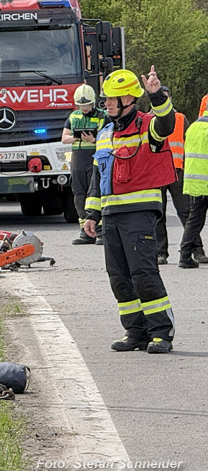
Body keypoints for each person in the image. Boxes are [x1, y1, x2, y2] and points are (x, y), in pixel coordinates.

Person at [84, 66, 176, 354]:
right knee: (119, 277)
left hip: (139, 213)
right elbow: (97, 176)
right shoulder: (105, 132)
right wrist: (91, 213)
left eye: (112, 99)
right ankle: (135, 332)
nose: (107, 103)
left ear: (129, 100)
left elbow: (167, 124)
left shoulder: (148, 124)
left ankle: (161, 332)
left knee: (143, 274)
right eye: (106, 99)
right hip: (111, 216)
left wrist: (156, 95)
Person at [155, 86, 206, 264]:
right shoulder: (149, 120)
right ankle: (161, 253)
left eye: (166, 97)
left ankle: (197, 250)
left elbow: (189, 144)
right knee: (158, 214)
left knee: (187, 212)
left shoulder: (180, 118)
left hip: (177, 171)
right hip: (157, 173)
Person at [61, 84, 107, 244]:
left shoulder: (102, 116)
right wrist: (79, 137)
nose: (84, 108)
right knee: (79, 194)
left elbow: (108, 136)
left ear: (93, 102)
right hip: (78, 157)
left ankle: (100, 231)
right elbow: (64, 138)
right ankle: (85, 231)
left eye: (86, 104)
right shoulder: (73, 116)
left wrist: (93, 140)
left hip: (95, 156)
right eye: (81, 105)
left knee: (95, 192)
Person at [178, 113, 208, 268]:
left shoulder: (193, 127)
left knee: (194, 220)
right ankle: (185, 254)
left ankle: (184, 255)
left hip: (194, 181)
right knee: (195, 220)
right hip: (205, 180)